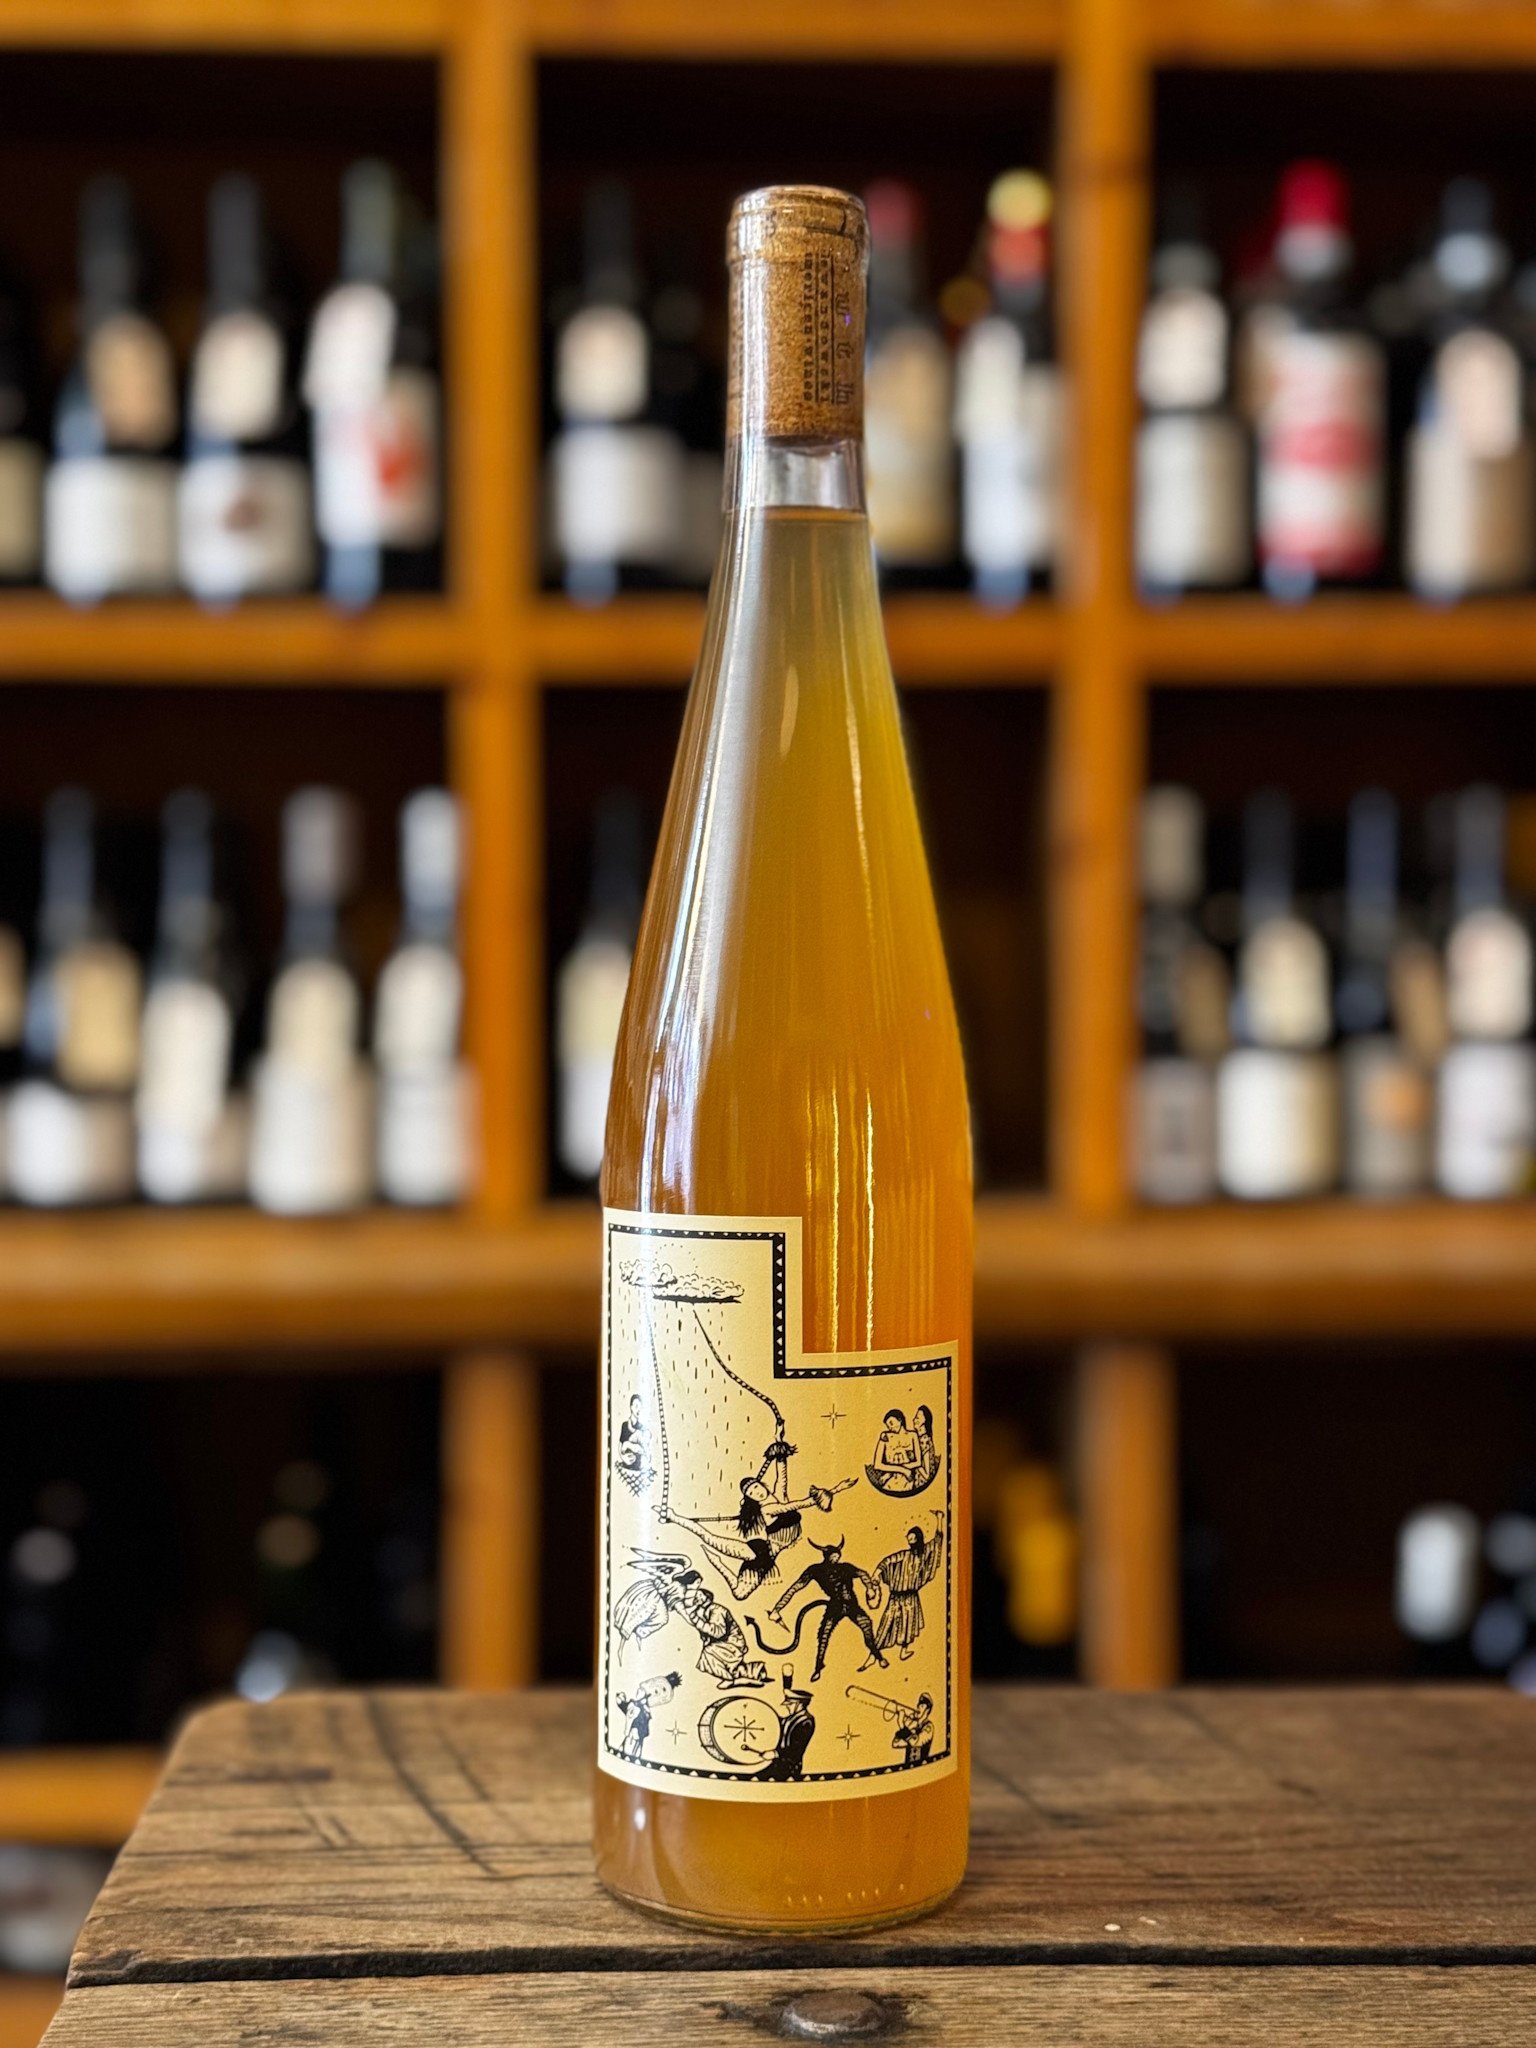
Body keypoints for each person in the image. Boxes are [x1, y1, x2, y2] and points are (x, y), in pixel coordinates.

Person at [764, 1536, 887, 1681]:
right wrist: (778, 1608)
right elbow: (795, 1588)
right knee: (824, 1635)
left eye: (837, 1556)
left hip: (852, 1605)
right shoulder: (816, 1570)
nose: (836, 1558)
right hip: (835, 1606)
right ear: (826, 1556)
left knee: (866, 1626)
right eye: (833, 1556)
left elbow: (862, 1574)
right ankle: (818, 1668)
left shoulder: (845, 1567)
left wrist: (869, 1587)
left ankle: (878, 1657)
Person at [873, 1517, 944, 1660]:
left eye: (911, 1538)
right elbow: (887, 1561)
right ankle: (874, 1654)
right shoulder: (903, 1555)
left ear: (917, 1539)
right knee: (887, 1623)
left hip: (911, 1597)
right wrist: (876, 1573)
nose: (909, 1541)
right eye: (908, 1538)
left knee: (908, 1625)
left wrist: (939, 1520)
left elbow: (937, 1542)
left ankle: (903, 1651)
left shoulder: (924, 1553)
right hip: (896, 1597)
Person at [749, 1680, 816, 1781]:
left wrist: (775, 1753)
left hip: (790, 1765)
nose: (787, 1707)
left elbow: (797, 1748)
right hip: (778, 1762)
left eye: (790, 1704)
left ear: (799, 1704)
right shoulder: (789, 1719)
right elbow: (775, 1724)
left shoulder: (806, 1721)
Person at [617, 1672, 681, 1761]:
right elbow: (627, 1710)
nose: (658, 1692)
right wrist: (620, 1701)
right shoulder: (635, 1705)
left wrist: (639, 1733)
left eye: (663, 1691)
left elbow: (644, 1725)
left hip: (638, 1737)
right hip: (631, 1735)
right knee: (626, 1750)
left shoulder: (645, 1711)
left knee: (634, 1752)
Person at [893, 1692, 935, 1766]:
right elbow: (896, 1743)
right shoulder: (913, 1724)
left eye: (922, 1706)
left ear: (927, 1710)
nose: (918, 1708)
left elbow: (916, 1742)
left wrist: (902, 1725)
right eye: (918, 1705)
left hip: (923, 1768)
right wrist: (907, 1727)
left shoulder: (928, 1727)